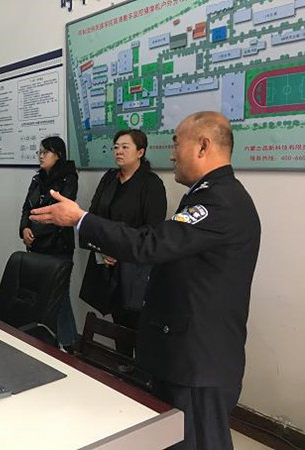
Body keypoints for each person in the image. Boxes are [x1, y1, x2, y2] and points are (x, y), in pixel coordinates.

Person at [29, 112, 261, 450]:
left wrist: (81, 220)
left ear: (203, 146)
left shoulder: (221, 201)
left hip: (199, 361)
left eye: (177, 145)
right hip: (181, 354)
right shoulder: (205, 194)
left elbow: (150, 244)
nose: (171, 154)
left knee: (199, 442)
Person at [80, 129, 166, 357]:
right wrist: (103, 250)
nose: (118, 151)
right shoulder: (110, 178)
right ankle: (122, 364)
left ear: (140, 152)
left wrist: (119, 251)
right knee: (117, 319)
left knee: (136, 322)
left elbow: (153, 230)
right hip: (107, 263)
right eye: (116, 147)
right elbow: (93, 217)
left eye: (125, 147)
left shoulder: (151, 184)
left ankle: (138, 371)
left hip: (134, 268)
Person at [19, 136, 78, 352]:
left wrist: (34, 231)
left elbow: (60, 215)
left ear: (58, 155)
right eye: (40, 152)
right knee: (40, 295)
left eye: (46, 152)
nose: (41, 156)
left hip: (58, 246)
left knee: (60, 296)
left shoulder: (68, 179)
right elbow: (27, 208)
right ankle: (45, 339)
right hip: (36, 247)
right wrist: (24, 229)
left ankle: (68, 343)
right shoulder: (37, 179)